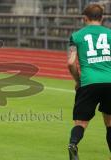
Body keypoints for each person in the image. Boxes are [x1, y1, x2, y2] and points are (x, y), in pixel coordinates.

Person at [67, 4, 111, 160]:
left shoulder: (77, 36)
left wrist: (78, 81)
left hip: (89, 82)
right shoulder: (110, 34)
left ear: (84, 18)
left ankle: (73, 144)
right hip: (110, 81)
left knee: (80, 122)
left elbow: (71, 63)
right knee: (109, 122)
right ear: (103, 17)